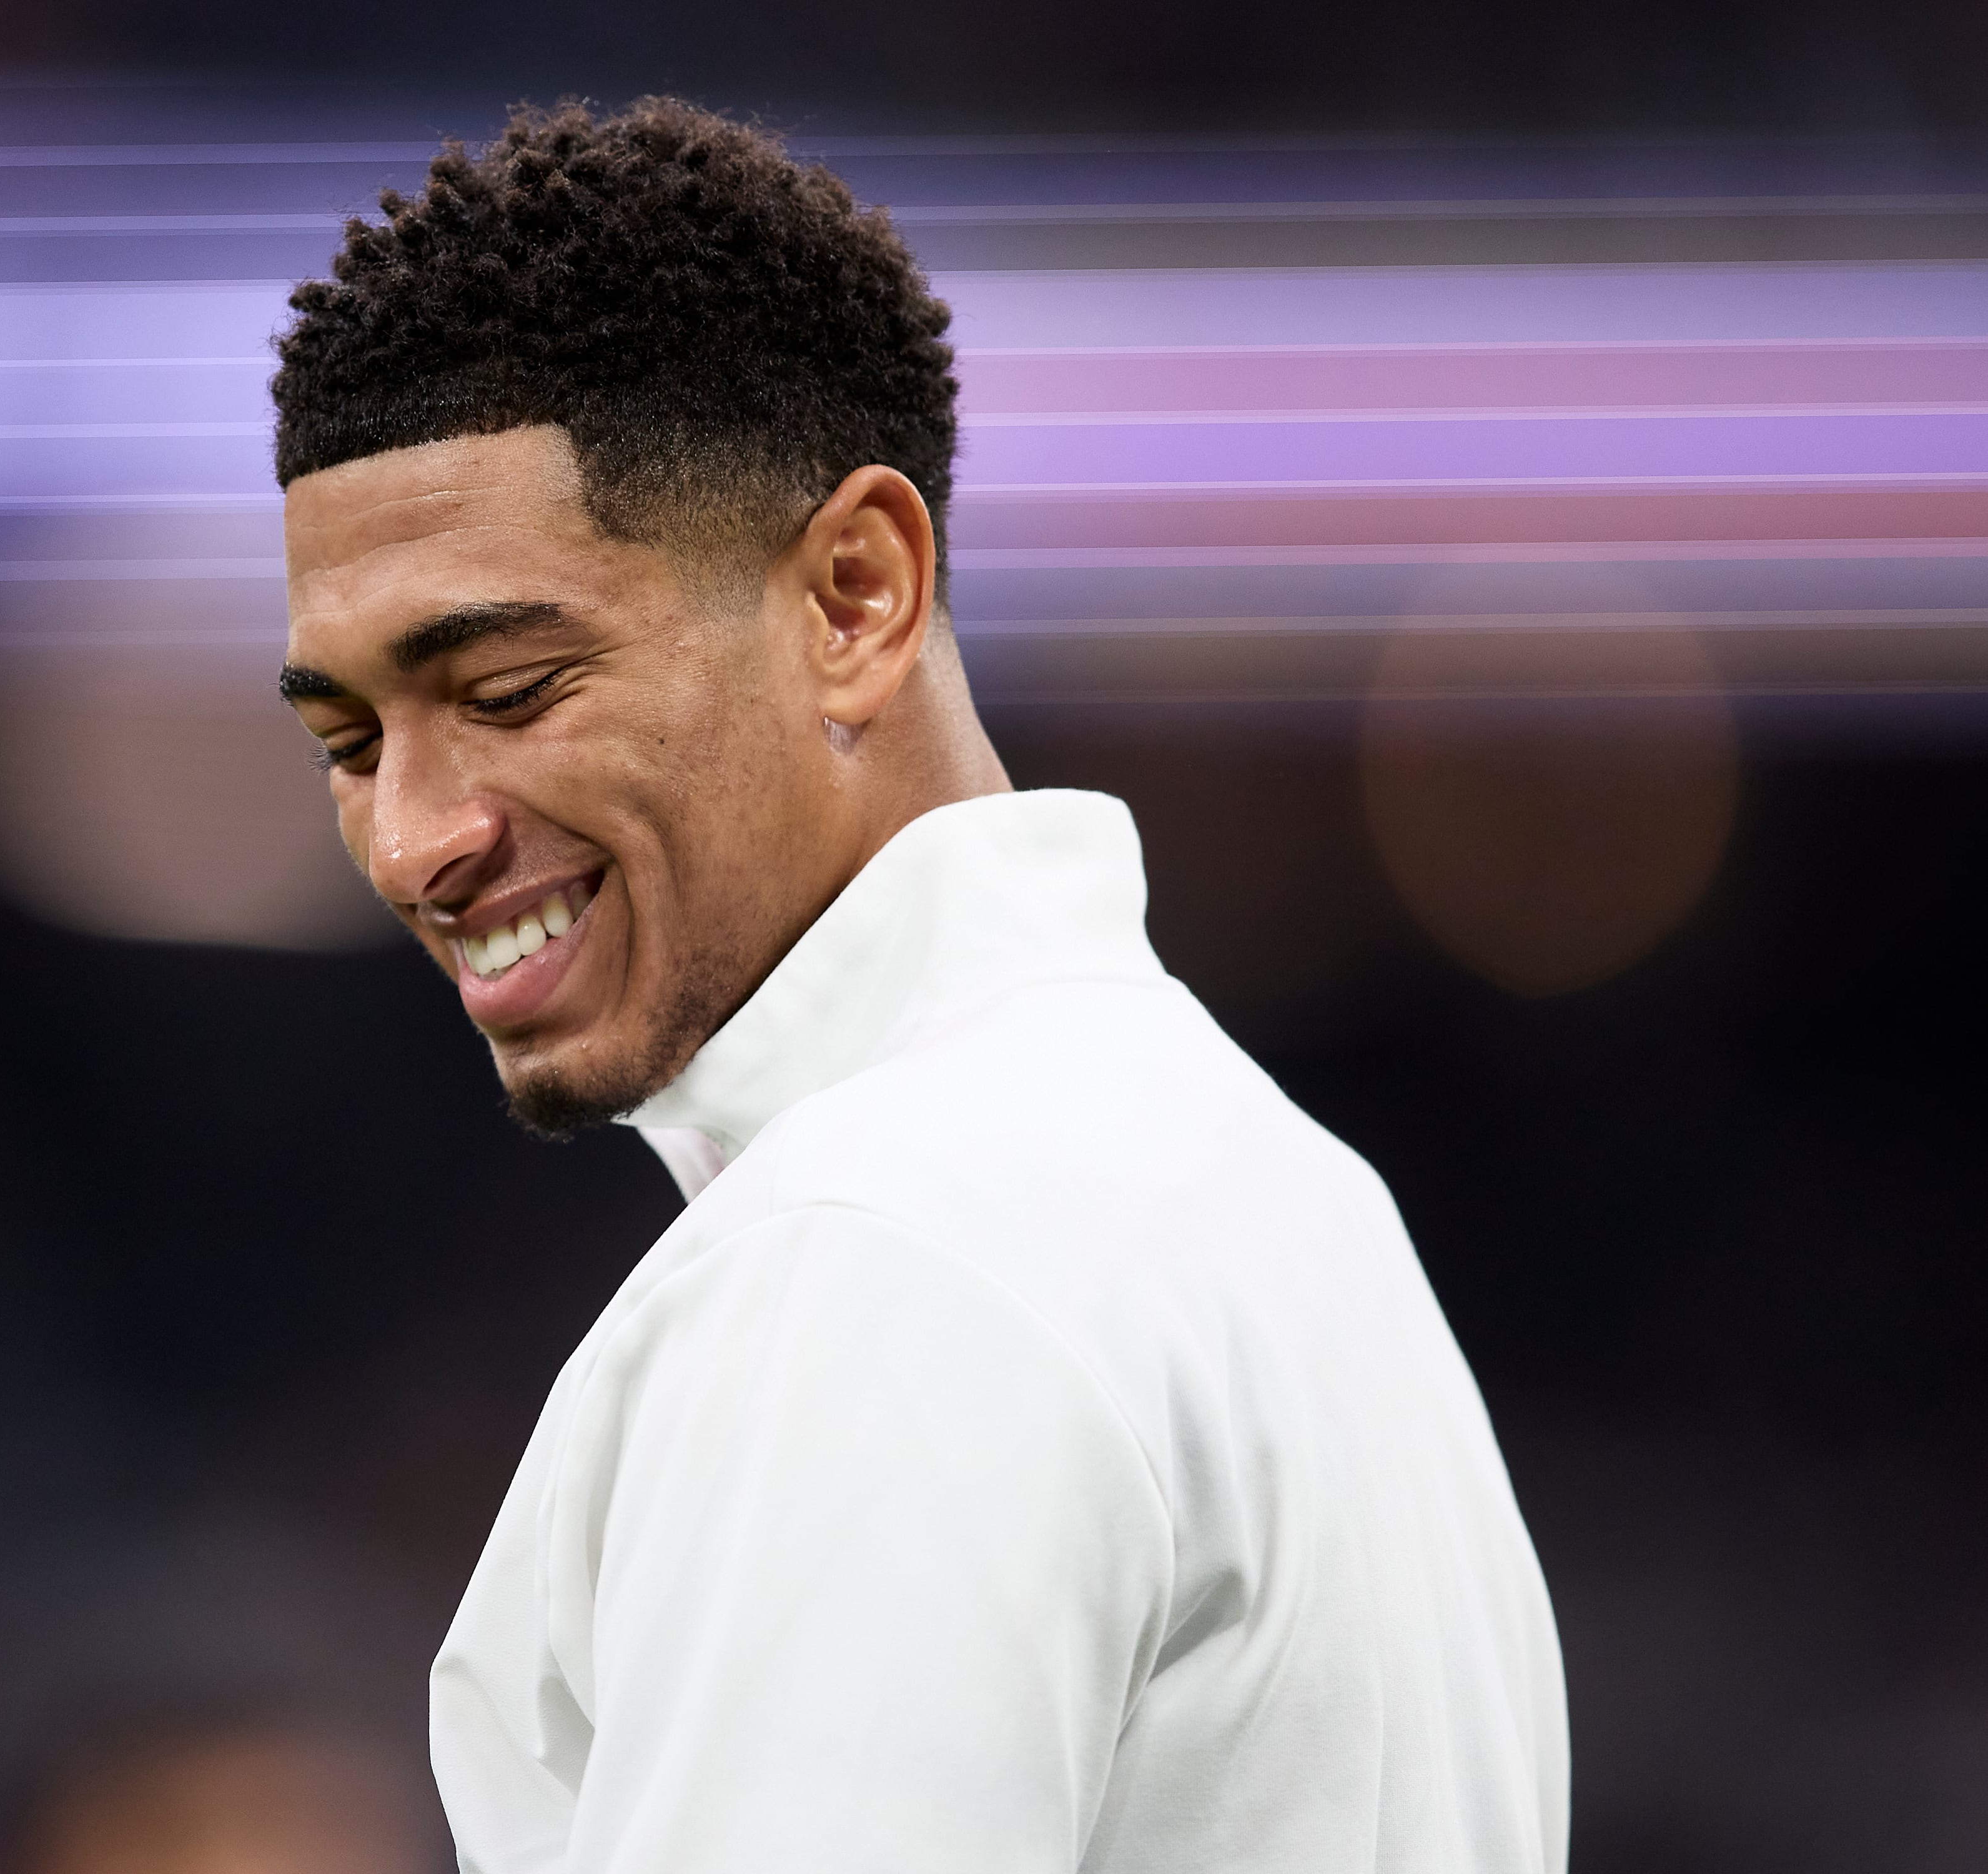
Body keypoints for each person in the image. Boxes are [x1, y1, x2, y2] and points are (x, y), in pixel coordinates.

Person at [272, 98, 1566, 1873]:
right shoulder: (1269, 1192)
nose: (412, 842)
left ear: (855, 594)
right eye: (349, 741)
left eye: (506, 691)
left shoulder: (881, 1249)